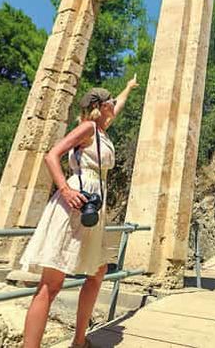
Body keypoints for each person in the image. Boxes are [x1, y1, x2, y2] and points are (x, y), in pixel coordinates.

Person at [20, 75, 139, 348]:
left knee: (98, 272)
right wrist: (64, 189)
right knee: (52, 283)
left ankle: (79, 341)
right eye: (111, 102)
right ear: (102, 106)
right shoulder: (87, 128)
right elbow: (52, 155)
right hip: (75, 201)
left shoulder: (102, 131)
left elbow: (119, 105)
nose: (115, 105)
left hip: (95, 204)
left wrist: (129, 88)